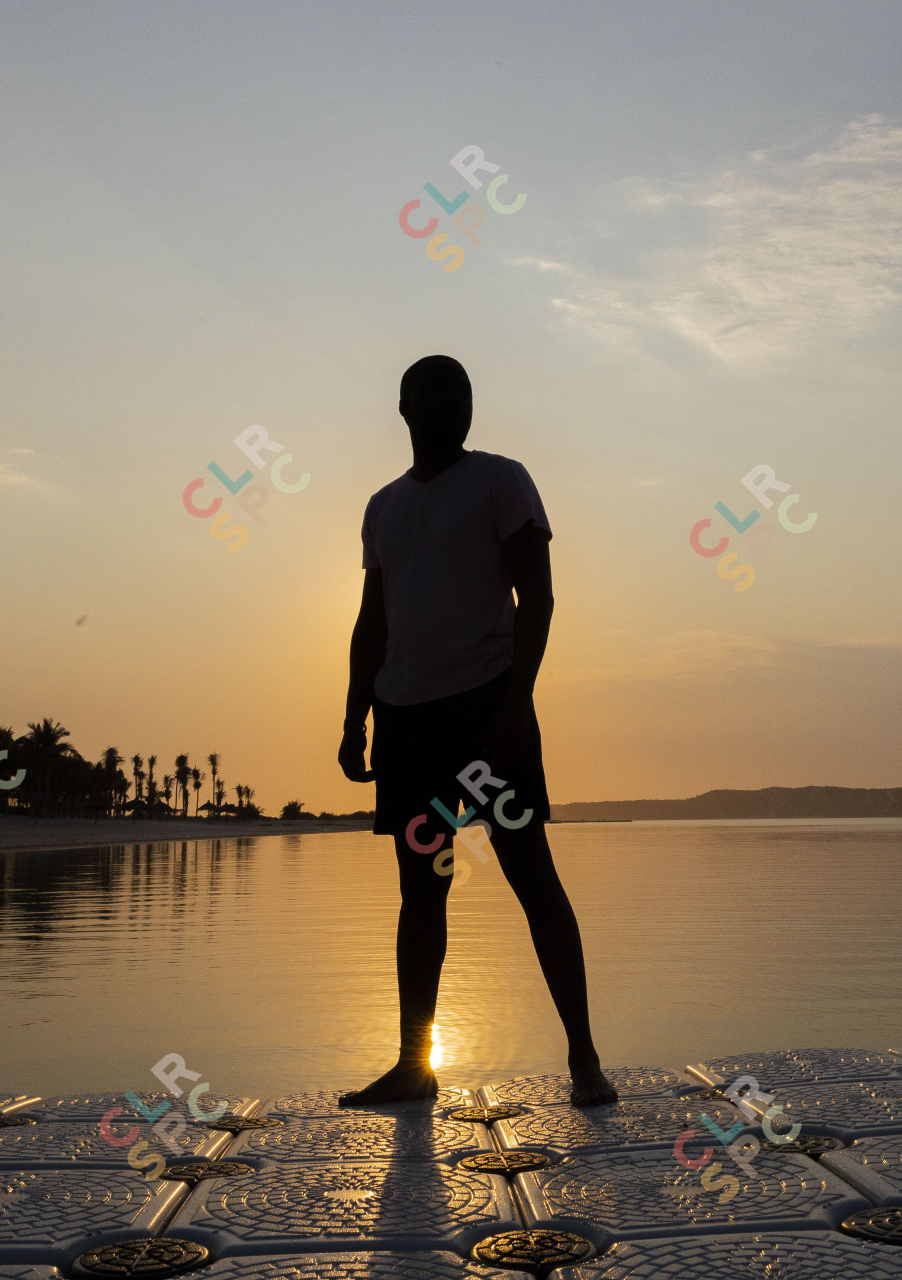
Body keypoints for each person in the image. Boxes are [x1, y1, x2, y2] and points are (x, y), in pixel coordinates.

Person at [336, 355, 617, 1108]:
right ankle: (413, 1065)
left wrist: (515, 705)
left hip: (487, 716)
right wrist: (354, 713)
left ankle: (585, 1060)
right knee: (421, 891)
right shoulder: (383, 507)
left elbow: (540, 599)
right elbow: (374, 618)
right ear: (403, 406)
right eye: (435, 390)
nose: (451, 401)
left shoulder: (502, 480)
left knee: (532, 877)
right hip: (407, 724)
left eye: (462, 391)